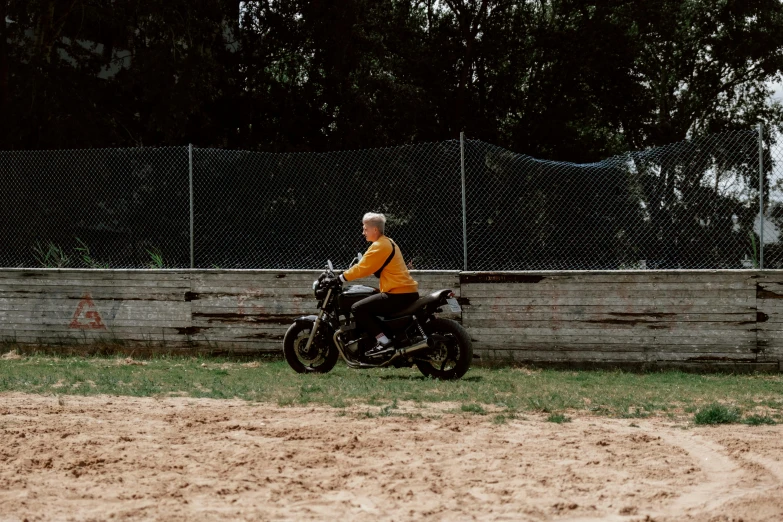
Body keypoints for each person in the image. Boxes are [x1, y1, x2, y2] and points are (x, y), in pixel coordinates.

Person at [336, 212, 419, 356]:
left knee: (358, 308)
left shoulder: (379, 245)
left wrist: (340, 278)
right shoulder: (389, 242)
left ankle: (383, 342)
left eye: (365, 229)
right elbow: (375, 266)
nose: (363, 232)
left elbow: (362, 268)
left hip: (397, 294)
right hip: (406, 292)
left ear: (375, 230)